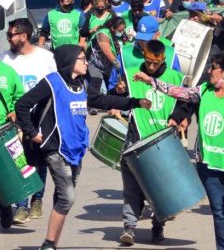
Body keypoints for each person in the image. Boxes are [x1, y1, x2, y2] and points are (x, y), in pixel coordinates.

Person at [16, 45, 151, 250]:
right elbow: (22, 105)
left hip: (76, 150)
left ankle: (52, 243)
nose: (86, 62)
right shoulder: (52, 82)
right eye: (82, 59)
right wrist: (32, 133)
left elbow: (103, 100)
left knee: (62, 200)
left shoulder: (82, 85)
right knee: (68, 198)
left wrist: (134, 102)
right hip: (55, 149)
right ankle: (48, 244)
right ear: (70, 62)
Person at [134, 53, 224, 250]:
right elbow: (179, 92)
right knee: (219, 210)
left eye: (213, 67)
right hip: (208, 162)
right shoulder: (204, 91)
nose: (209, 71)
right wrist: (151, 81)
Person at [117, 40, 187, 246]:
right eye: (148, 62)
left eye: (155, 64)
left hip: (163, 141)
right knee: (131, 189)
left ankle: (158, 226)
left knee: (160, 189)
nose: (151, 67)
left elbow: (186, 103)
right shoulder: (131, 73)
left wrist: (178, 117)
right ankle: (129, 227)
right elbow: (117, 93)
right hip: (136, 137)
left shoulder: (175, 78)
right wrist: (118, 94)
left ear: (163, 59)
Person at [1, 18, 57, 224]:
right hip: (15, 122)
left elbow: (55, 87)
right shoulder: (5, 60)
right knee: (18, 162)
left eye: (11, 35)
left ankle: (37, 200)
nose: (8, 39)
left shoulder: (46, 58)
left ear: (23, 36)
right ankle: (21, 206)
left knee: (38, 162)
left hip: (40, 119)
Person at [0, 35, 26, 228]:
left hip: (4, 132)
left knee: (9, 173)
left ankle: (7, 204)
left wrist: (15, 111)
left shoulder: (7, 72)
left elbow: (20, 97)